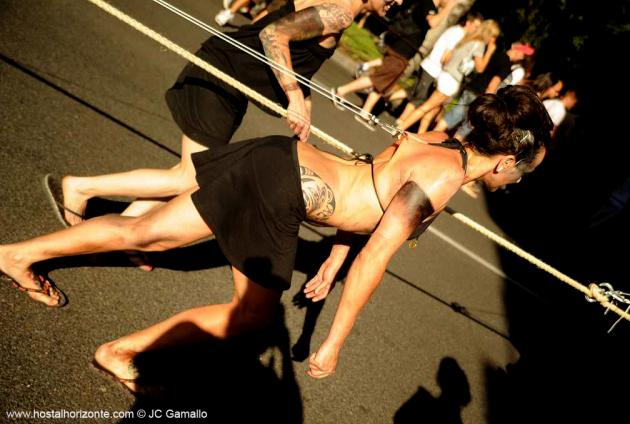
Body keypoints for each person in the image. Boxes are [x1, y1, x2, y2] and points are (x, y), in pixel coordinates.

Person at [0, 85, 553, 382]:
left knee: (145, 231)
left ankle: (17, 255)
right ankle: (120, 352)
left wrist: (332, 261)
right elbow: (376, 256)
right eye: (526, 170)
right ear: (508, 158)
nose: (521, 179)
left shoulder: (438, 140)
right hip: (285, 188)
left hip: (279, 160)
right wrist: (332, 343)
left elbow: (371, 197)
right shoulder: (445, 176)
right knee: (254, 318)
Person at [55, 0, 403, 228]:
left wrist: (303, 105)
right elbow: (273, 35)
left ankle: (121, 232)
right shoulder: (340, 10)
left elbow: (297, 61)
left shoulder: (343, 11)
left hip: (232, 81)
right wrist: (294, 96)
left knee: (191, 173)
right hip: (221, 72)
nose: (398, 1)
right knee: (189, 177)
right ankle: (81, 188)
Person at [330, 0, 452, 129]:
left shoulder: (427, 5)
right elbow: (433, 22)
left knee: (385, 82)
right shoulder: (427, 4)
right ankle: (341, 91)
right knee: (378, 79)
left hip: (403, 49)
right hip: (402, 48)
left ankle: (365, 112)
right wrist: (448, 8)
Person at [397, 19, 501, 133]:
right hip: (451, 80)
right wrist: (490, 52)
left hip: (445, 74)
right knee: (427, 107)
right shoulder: (479, 44)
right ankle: (402, 127)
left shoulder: (468, 36)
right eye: (493, 36)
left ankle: (420, 136)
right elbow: (480, 68)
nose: (493, 40)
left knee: (433, 109)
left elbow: (448, 56)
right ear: (488, 34)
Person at [431, 41, 536, 138]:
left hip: (472, 88)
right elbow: (493, 84)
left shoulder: (496, 55)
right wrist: (487, 100)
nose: (522, 58)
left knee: (455, 114)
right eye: (523, 55)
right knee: (469, 124)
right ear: (518, 52)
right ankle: (452, 146)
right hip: (480, 95)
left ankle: (432, 135)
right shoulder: (506, 65)